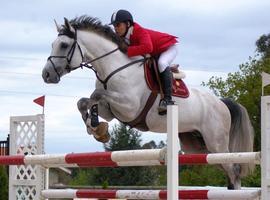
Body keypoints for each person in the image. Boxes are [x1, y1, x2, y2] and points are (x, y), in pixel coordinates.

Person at [110, 9, 178, 114]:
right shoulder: (123, 37)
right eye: (114, 26)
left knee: (162, 63)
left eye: (118, 25)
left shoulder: (138, 30)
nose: (116, 29)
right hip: (155, 52)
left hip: (169, 48)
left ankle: (167, 100)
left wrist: (127, 51)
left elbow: (148, 47)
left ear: (128, 24)